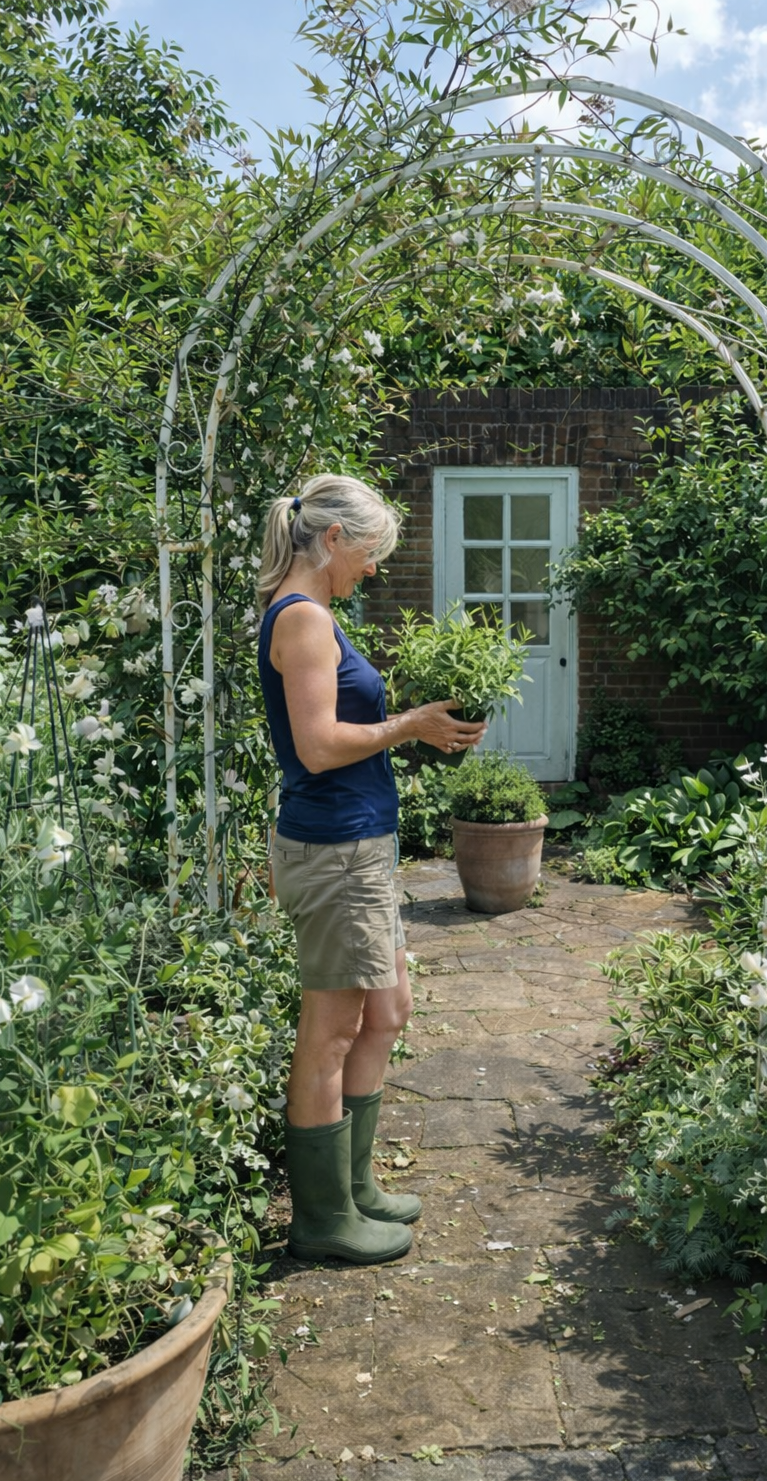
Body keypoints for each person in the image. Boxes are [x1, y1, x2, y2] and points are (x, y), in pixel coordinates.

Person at [257, 473, 485, 1264]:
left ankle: (354, 1188)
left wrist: (412, 723)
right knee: (331, 1031)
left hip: (360, 845)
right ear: (332, 540)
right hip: (334, 850)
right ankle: (322, 1220)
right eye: (371, 552)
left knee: (387, 1013)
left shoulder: (315, 615)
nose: (375, 569)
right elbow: (319, 748)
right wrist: (410, 726)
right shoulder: (305, 620)